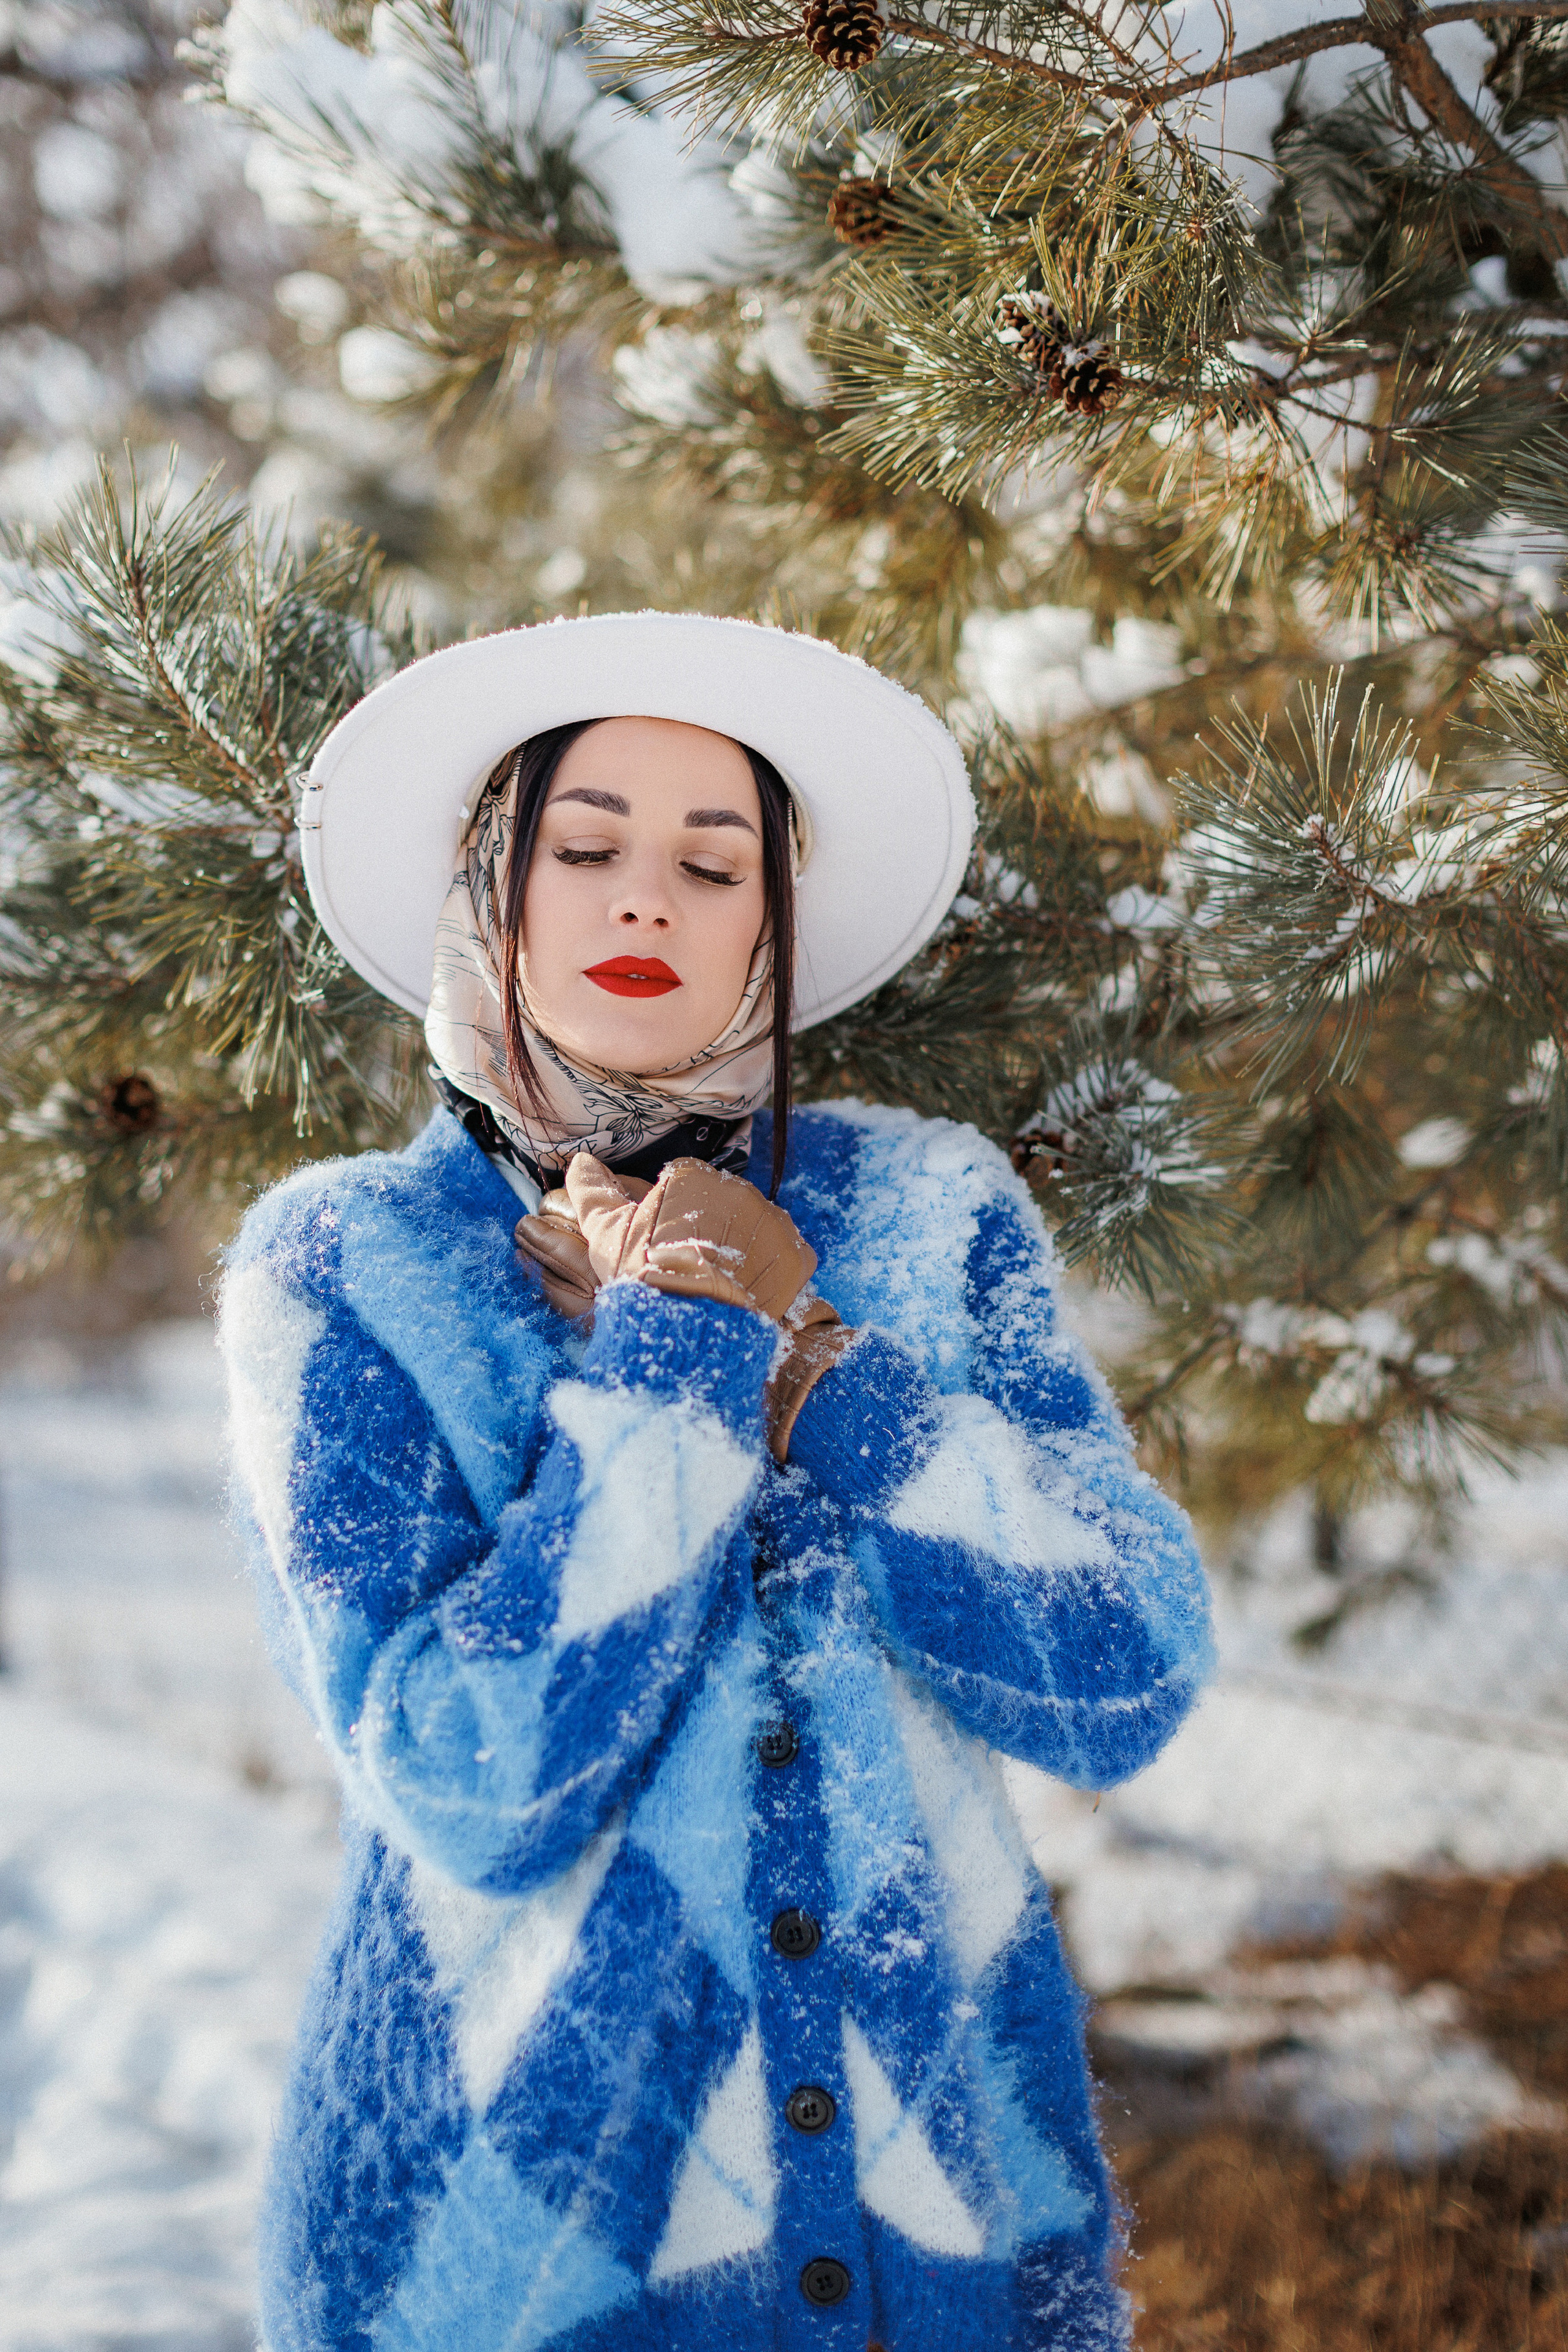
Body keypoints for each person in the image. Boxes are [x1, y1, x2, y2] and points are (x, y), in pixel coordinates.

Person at [220, 612, 1213, 2352]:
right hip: (516, 2255)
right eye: (583, 848)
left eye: (712, 862)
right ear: (489, 884)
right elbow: (474, 1786)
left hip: (952, 2232)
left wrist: (825, 1373)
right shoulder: (347, 1265)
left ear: (774, 916)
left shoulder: (929, 1212)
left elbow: (1119, 1673)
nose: (646, 905)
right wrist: (682, 1356)